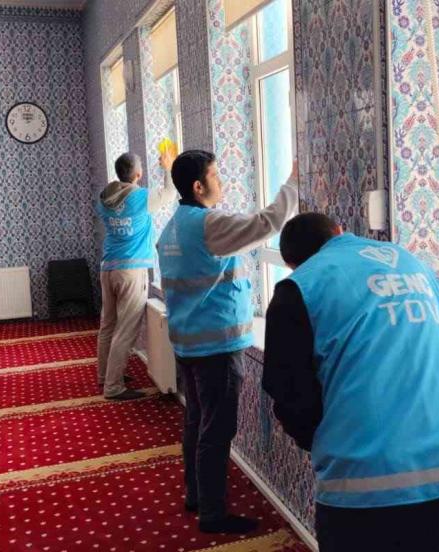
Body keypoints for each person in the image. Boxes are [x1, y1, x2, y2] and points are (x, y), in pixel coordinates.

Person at [262, 213, 439, 552]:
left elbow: (290, 398)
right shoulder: (411, 263)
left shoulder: (298, 287)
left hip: (360, 494)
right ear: (339, 232)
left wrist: (328, 441)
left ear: (292, 264)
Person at [157, 150, 298, 534]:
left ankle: (196, 495)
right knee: (216, 430)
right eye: (216, 175)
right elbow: (266, 223)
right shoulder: (208, 224)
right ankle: (213, 514)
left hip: (187, 342)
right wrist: (293, 183)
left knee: (196, 421)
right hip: (215, 346)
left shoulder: (173, 226)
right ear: (198, 186)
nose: (222, 182)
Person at [96, 151, 176, 400]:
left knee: (108, 325)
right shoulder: (141, 197)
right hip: (131, 269)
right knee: (126, 329)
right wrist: (168, 167)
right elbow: (170, 193)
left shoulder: (105, 197)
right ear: (139, 174)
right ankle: (113, 387)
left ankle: (104, 375)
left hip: (108, 267)